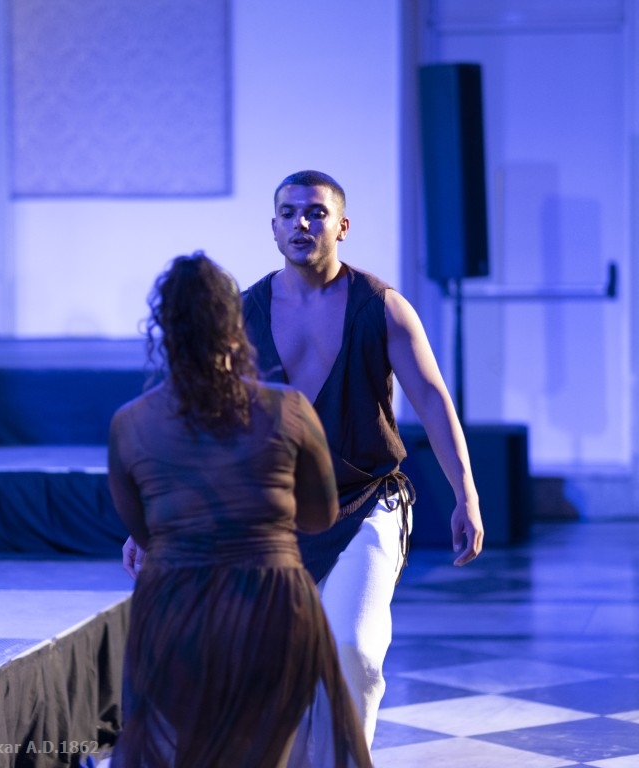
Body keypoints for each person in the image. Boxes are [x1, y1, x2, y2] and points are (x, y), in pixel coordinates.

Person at [244, 169, 484, 757]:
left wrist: (467, 494)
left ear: (342, 226)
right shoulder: (244, 313)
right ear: (273, 227)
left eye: (317, 212)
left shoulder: (382, 307)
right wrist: (154, 521)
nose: (302, 223)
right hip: (278, 516)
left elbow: (433, 400)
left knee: (352, 648)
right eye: (289, 213)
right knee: (274, 669)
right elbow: (211, 422)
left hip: (366, 503)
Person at [107, 253, 372, 768]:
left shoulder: (130, 423)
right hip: (270, 604)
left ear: (165, 331)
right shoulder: (289, 408)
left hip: (177, 607)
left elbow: (144, 533)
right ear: (235, 327)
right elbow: (320, 517)